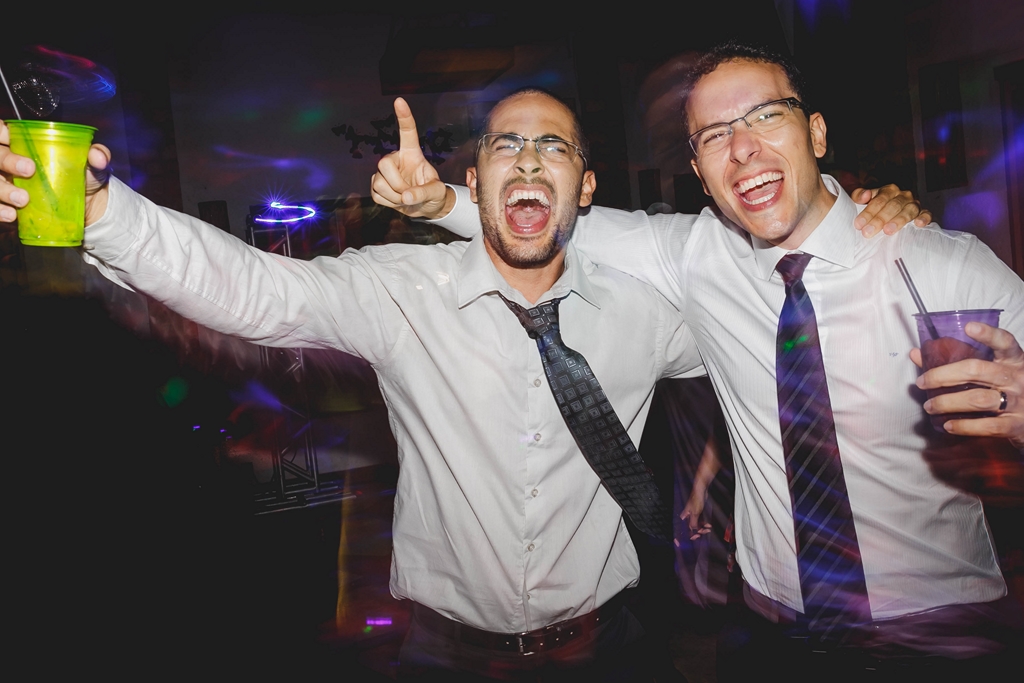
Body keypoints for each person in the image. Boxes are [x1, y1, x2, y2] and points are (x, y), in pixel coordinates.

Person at [0, 94, 923, 682]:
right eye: (507, 147)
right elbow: (253, 289)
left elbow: (786, 325)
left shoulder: (651, 314)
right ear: (474, 183)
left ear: (584, 186)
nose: (528, 161)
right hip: (442, 654)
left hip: (612, 651)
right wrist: (104, 214)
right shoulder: (400, 293)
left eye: (552, 147)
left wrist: (863, 216)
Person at [386, 43, 1024, 678]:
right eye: (715, 135)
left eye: (766, 115)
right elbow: (544, 216)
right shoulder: (695, 257)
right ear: (699, 169)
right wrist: (437, 201)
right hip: (769, 634)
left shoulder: (943, 265)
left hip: (942, 635)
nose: (742, 149)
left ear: (817, 133)